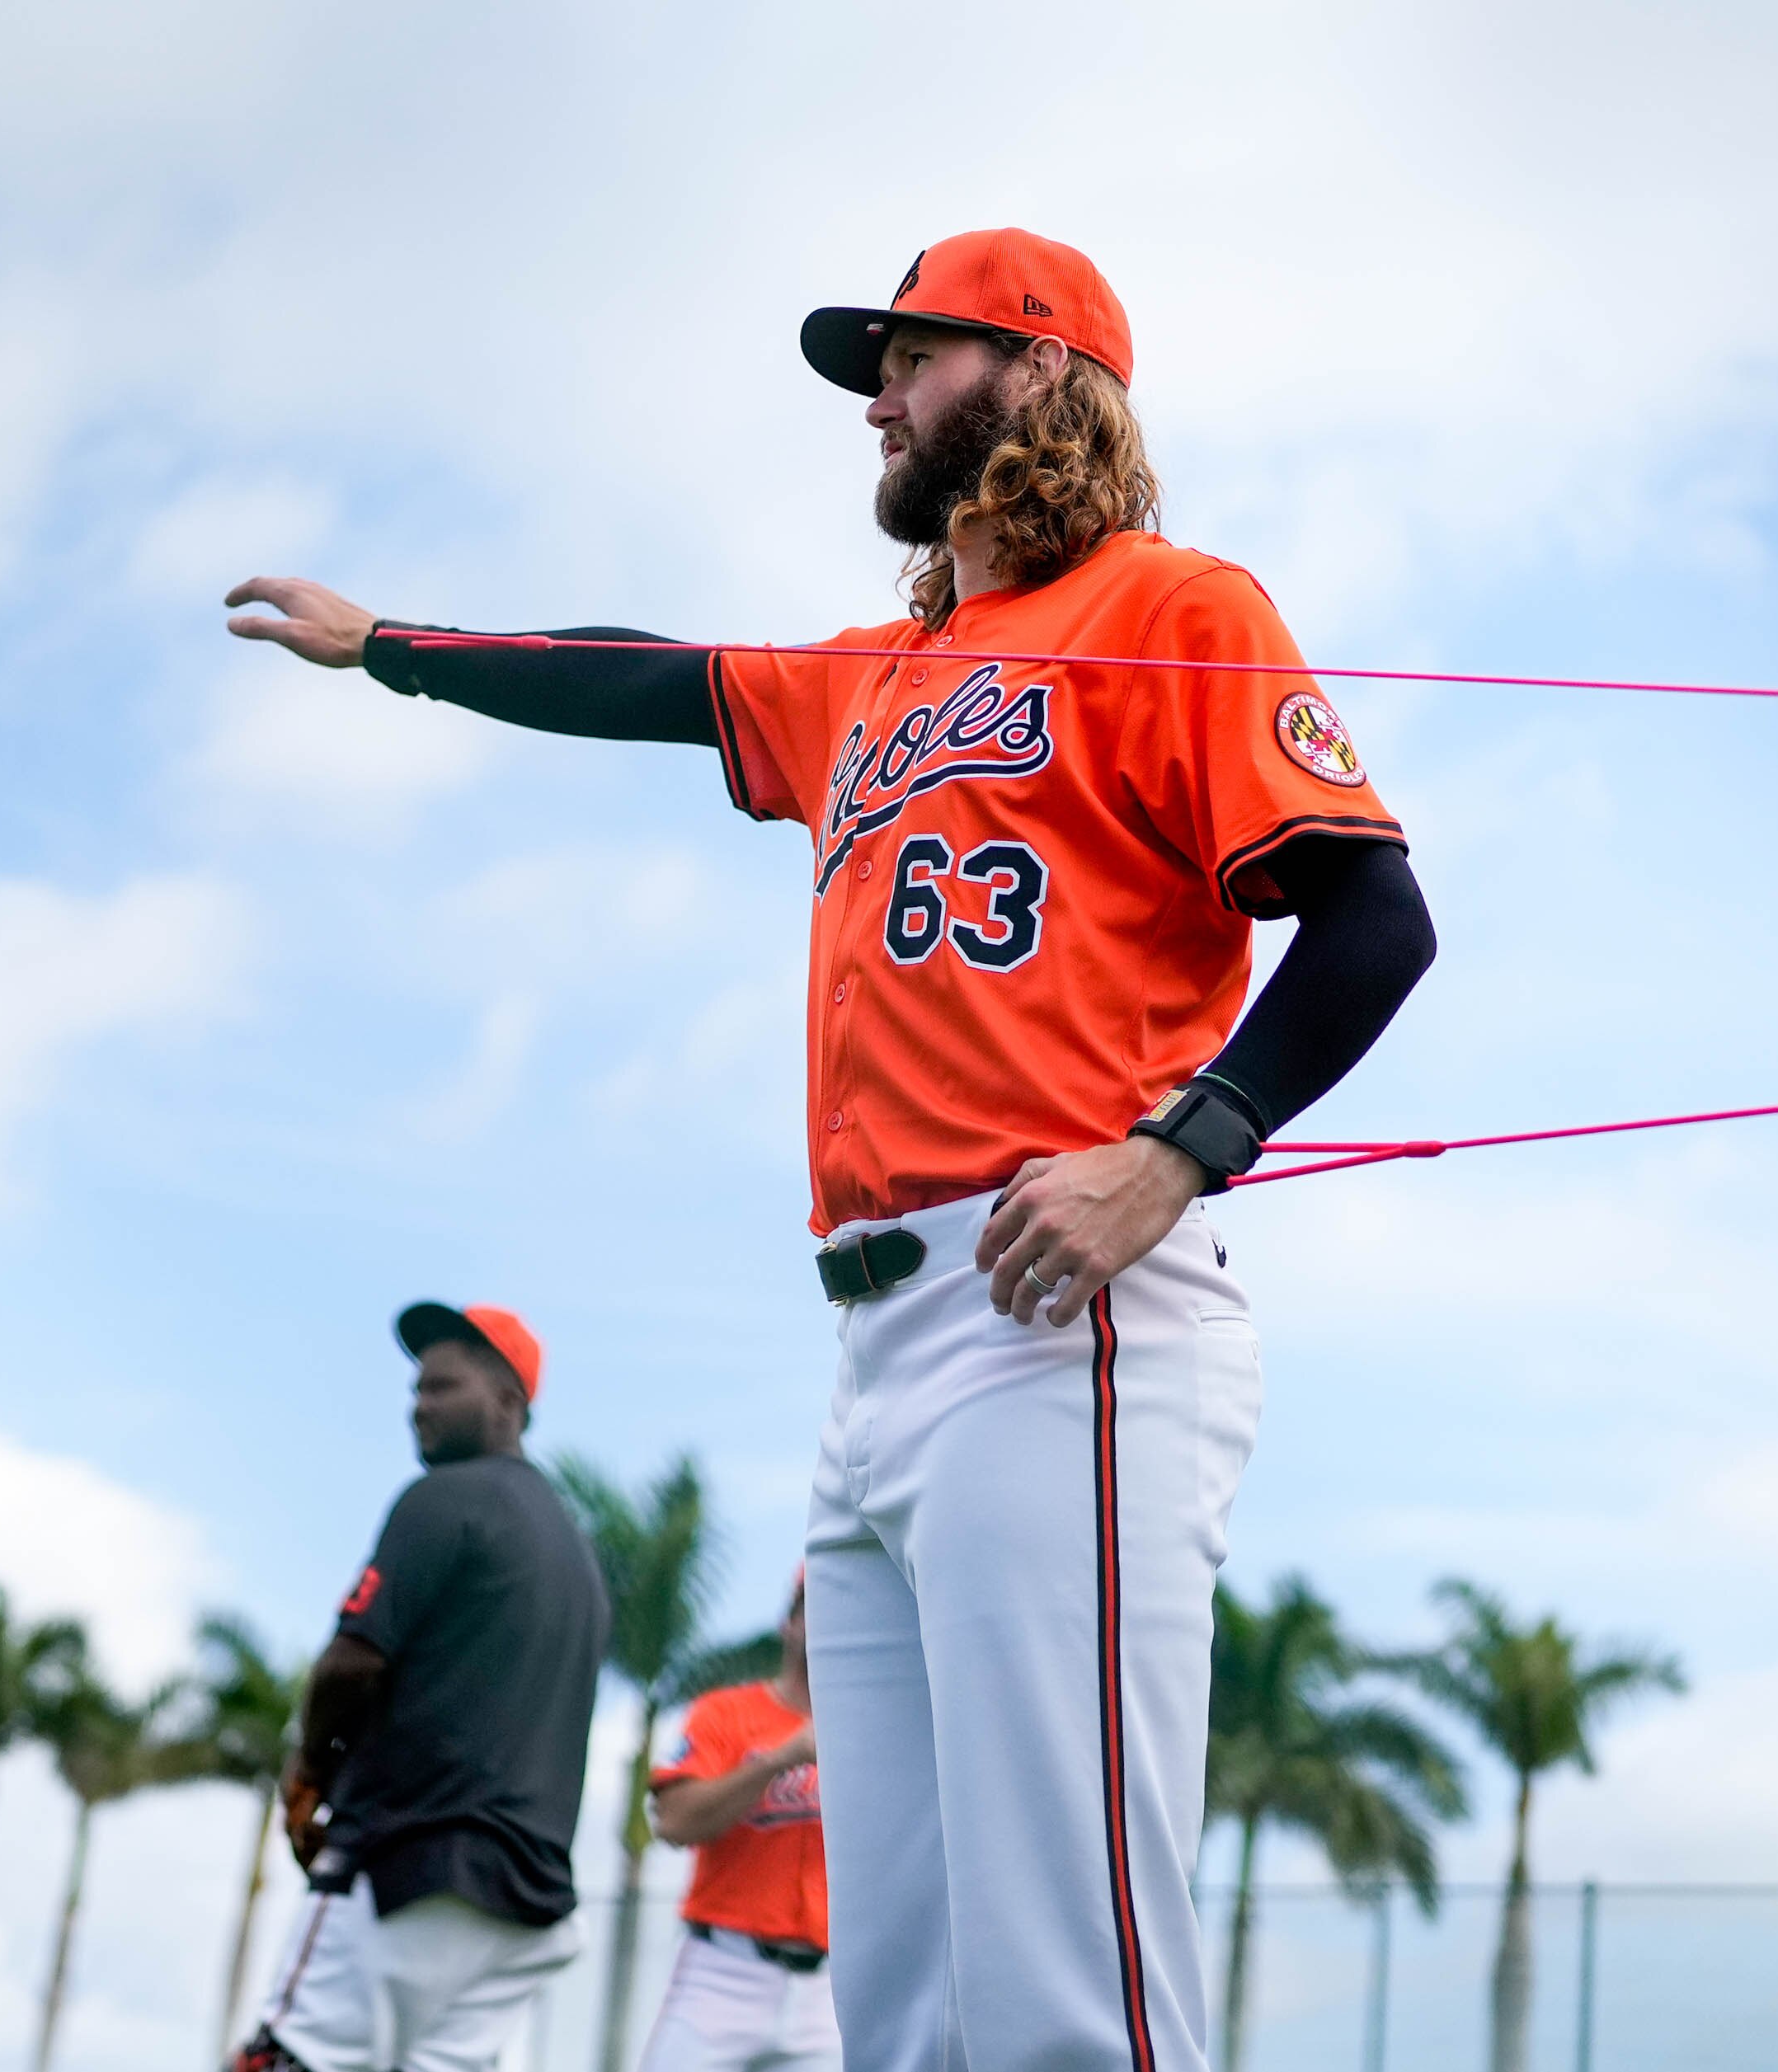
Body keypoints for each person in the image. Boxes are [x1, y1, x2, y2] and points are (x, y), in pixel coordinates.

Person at [223, 226, 1436, 2072]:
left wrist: (1178, 1150)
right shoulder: (869, 668)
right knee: (910, 1993)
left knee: (1064, 1985)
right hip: (874, 1352)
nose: (876, 391)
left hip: (1060, 1304)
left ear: (1040, 376)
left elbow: (1373, 922)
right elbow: (645, 674)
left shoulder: (1175, 604)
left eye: (915, 353)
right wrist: (393, 646)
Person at [235, 1302, 609, 2072]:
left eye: (441, 1386)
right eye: (415, 1389)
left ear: (508, 1399)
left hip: (410, 1868)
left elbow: (352, 1664)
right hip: (523, 1911)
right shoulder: (578, 1558)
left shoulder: (445, 1497)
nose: (418, 1404)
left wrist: (309, 1774)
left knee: (284, 2062)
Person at [637, 1570, 839, 2072]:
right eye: (814, 1607)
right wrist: (776, 1760)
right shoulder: (726, 1713)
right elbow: (674, 1822)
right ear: (789, 1622)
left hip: (825, 1990)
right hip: (723, 1972)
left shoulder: (874, 1732)